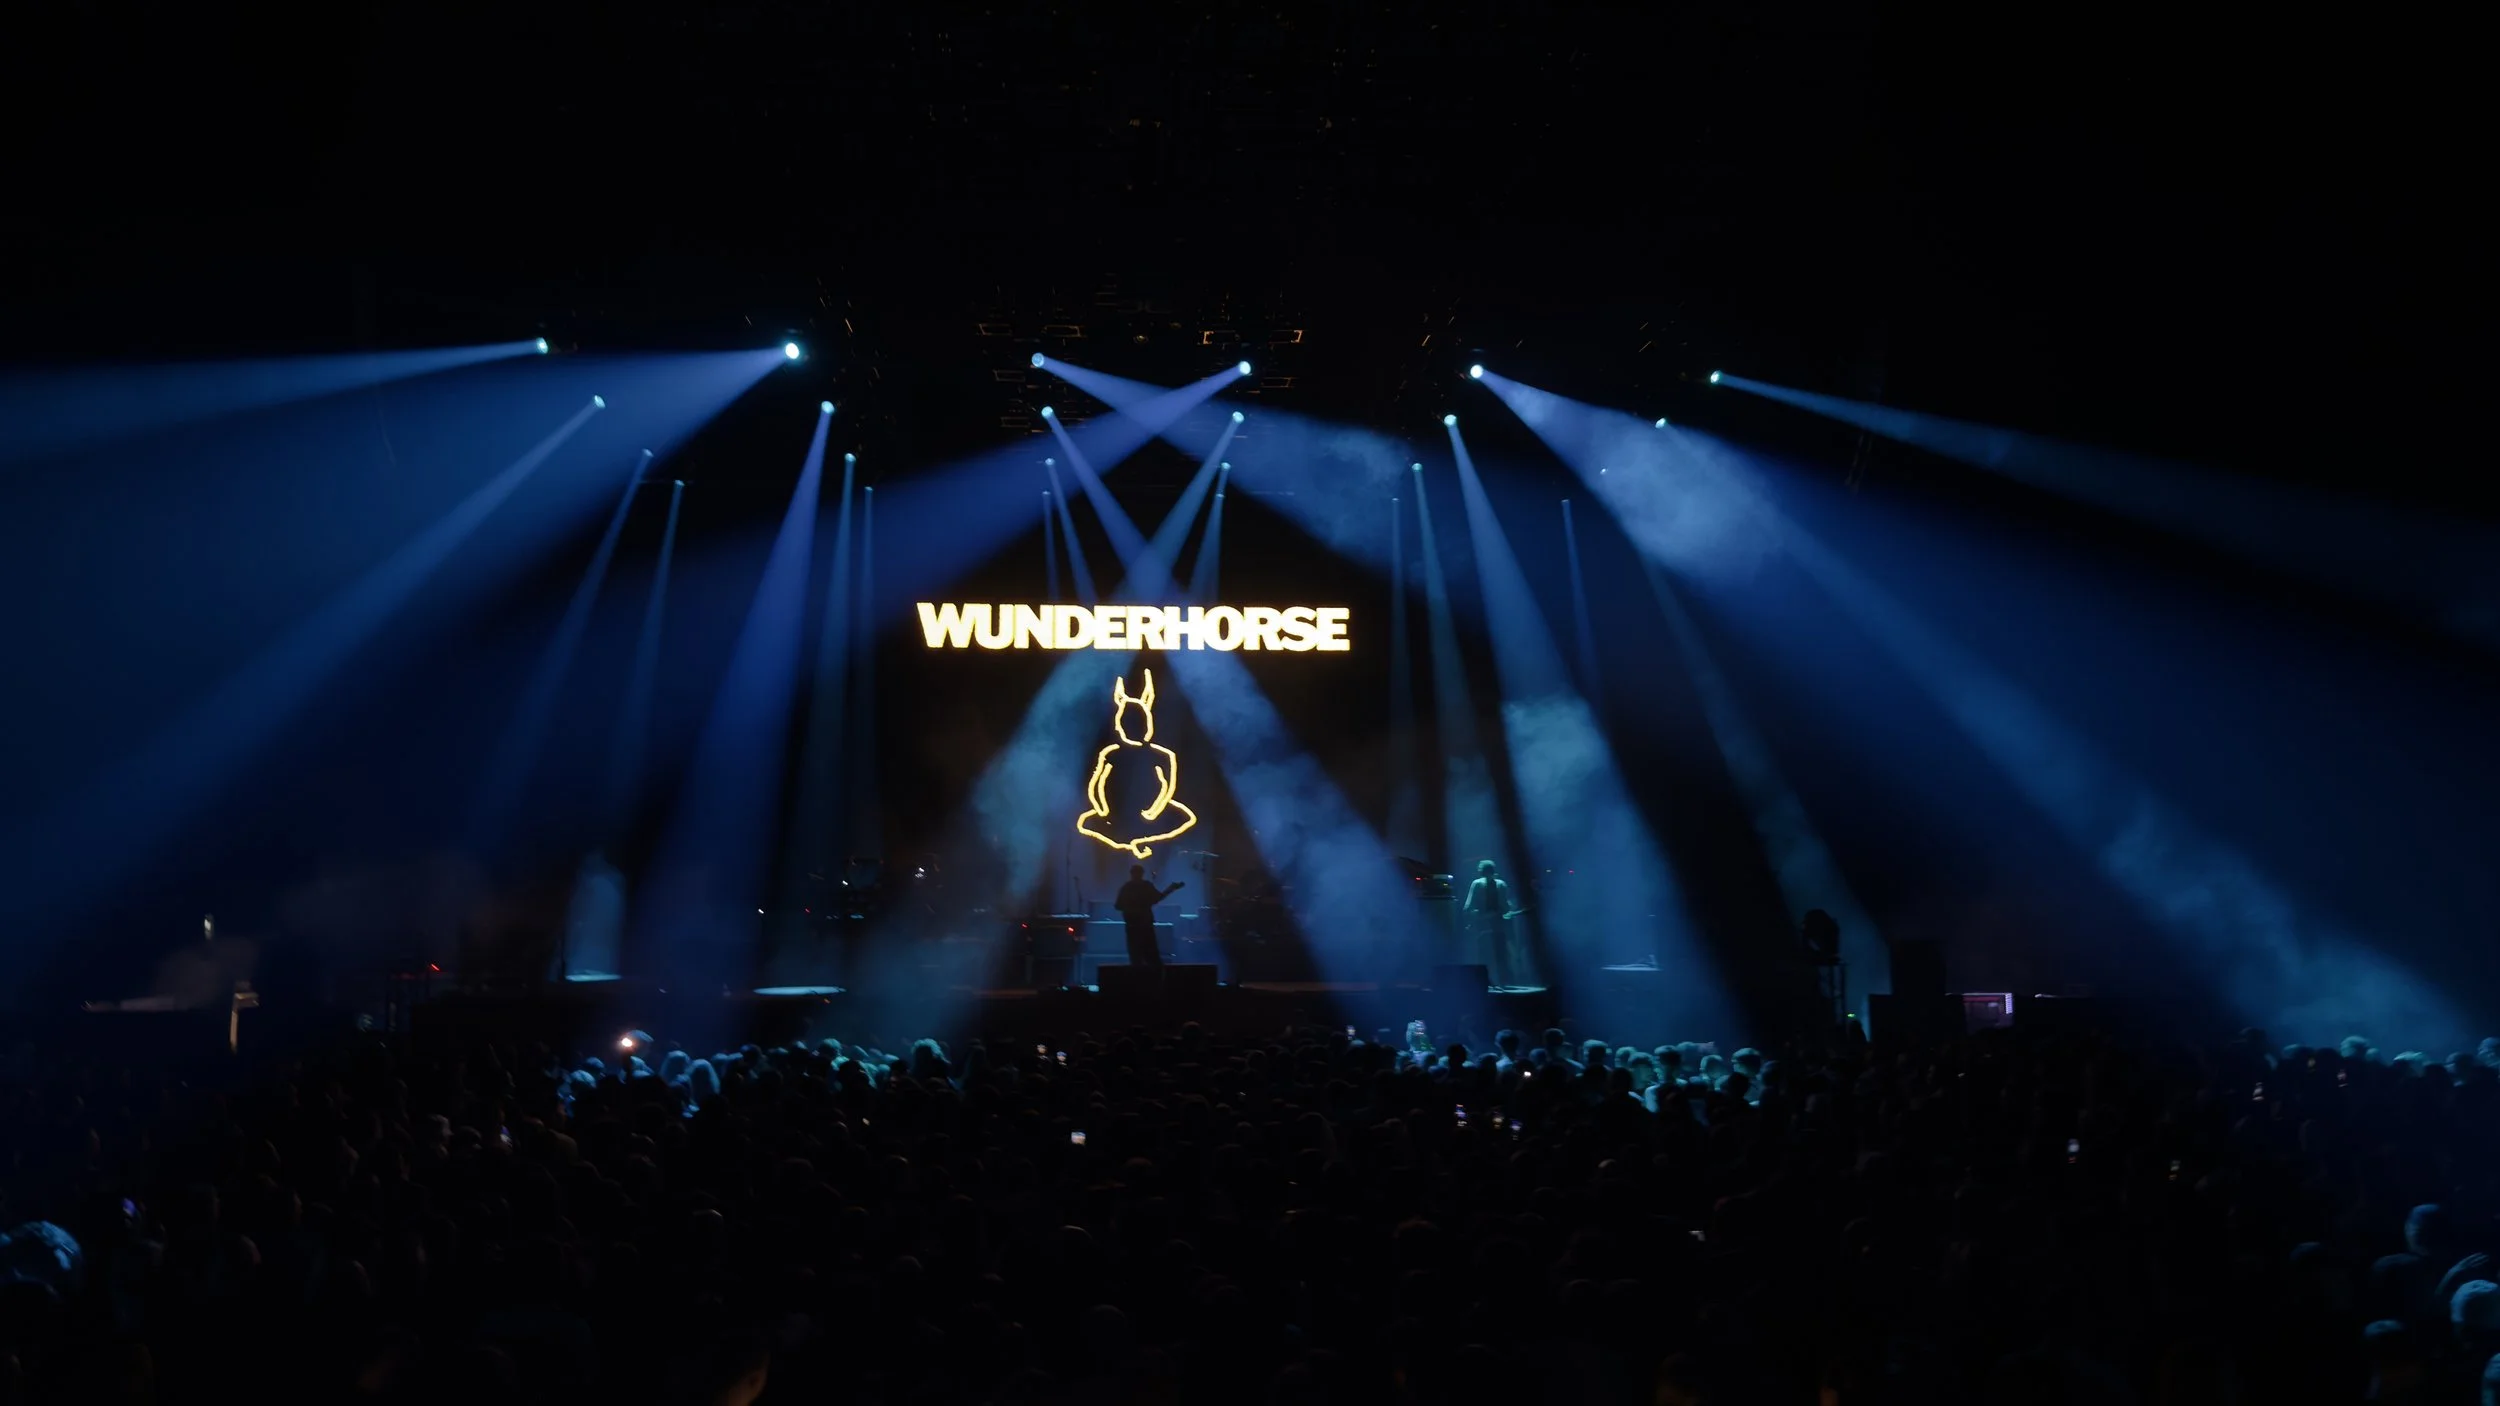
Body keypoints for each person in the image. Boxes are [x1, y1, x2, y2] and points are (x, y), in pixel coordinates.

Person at [1114, 864, 1184, 968]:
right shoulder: (1145, 886)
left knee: (1137, 958)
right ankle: (1154, 982)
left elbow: (1118, 906)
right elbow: (1157, 898)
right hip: (1145, 926)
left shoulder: (1127, 887)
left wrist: (1130, 908)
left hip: (1133, 927)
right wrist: (1171, 889)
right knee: (1152, 958)